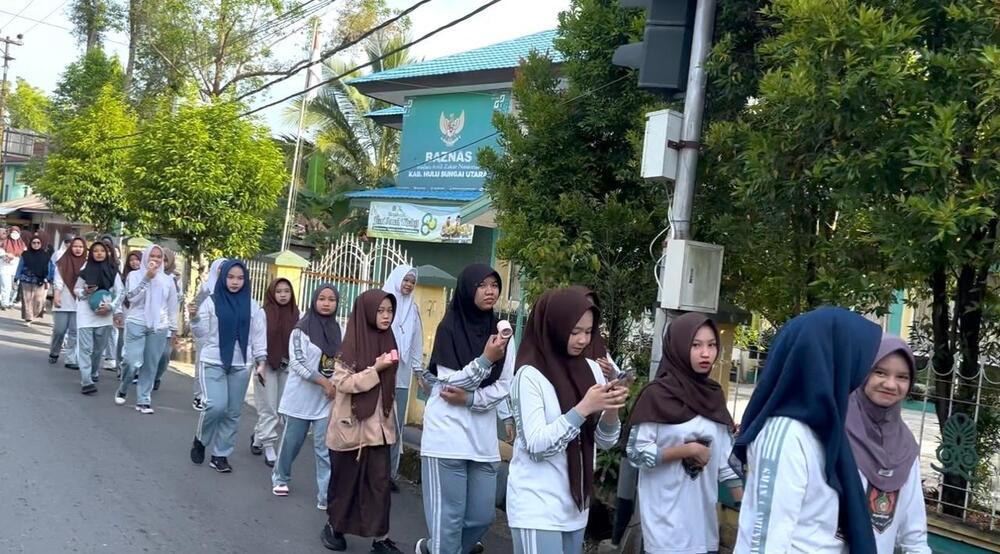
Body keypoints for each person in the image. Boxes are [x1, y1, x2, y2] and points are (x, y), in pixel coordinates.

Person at [732, 307, 882, 554]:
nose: (862, 375)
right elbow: (767, 542)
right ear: (834, 360)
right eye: (858, 360)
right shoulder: (786, 434)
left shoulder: (823, 427)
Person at [505, 288, 627, 554]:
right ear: (555, 327)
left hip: (575, 509)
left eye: (589, 331)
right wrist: (583, 408)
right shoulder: (529, 375)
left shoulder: (591, 369)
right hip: (536, 507)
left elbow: (604, 442)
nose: (583, 340)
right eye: (575, 331)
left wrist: (611, 407)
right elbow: (536, 446)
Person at [414, 264, 514, 554]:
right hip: (446, 438)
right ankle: (440, 547)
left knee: (481, 517)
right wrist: (486, 360)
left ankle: (433, 548)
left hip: (482, 441)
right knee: (448, 521)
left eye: (494, 285)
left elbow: (504, 385)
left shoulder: (503, 333)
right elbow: (449, 386)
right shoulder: (449, 328)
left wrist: (472, 400)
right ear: (468, 289)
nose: (490, 291)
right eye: (482, 285)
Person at [626, 312, 742, 554]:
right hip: (664, 529)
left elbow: (726, 465)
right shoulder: (656, 396)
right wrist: (686, 450)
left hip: (703, 530)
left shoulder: (714, 396)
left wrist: (746, 511)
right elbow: (636, 454)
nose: (705, 353)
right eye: (696, 345)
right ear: (678, 346)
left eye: (711, 345)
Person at [321, 289, 403, 554]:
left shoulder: (389, 340)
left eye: (389, 311)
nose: (386, 316)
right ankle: (334, 527)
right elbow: (343, 383)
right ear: (367, 312)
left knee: (379, 485)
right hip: (351, 427)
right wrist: (375, 370)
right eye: (380, 311)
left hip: (379, 429)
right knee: (345, 484)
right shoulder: (351, 344)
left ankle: (381, 539)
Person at [846, 335, 930, 553]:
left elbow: (914, 533)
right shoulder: (835, 431)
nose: (890, 384)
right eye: (880, 372)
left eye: (902, 377)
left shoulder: (905, 447)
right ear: (863, 373)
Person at [189, 260, 267, 473]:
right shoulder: (211, 302)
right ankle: (201, 439)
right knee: (216, 406)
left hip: (241, 364)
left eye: (240, 278)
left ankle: (220, 455)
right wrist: (194, 318)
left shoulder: (253, 306)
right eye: (231, 277)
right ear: (223, 278)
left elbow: (258, 336)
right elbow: (201, 334)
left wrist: (261, 361)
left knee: (232, 412)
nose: (235, 282)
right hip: (213, 361)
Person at [271, 284, 339, 510]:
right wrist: (324, 382)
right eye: (322, 298)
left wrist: (335, 384)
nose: (326, 303)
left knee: (324, 449)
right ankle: (280, 477)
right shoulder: (301, 330)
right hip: (300, 399)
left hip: (325, 401)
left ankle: (326, 495)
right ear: (314, 300)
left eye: (331, 299)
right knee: (291, 443)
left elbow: (340, 361)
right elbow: (297, 363)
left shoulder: (338, 330)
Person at [116, 244, 178, 413]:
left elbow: (172, 306)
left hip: (159, 325)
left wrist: (174, 329)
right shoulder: (134, 275)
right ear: (146, 257)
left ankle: (143, 399)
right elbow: (131, 298)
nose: (155, 260)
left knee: (151, 364)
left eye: (159, 257)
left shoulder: (168, 280)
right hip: (136, 322)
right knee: (131, 362)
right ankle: (124, 385)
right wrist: (147, 279)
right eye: (152, 256)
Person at [252, 277, 301, 466]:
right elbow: (258, 340)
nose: (283, 295)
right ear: (272, 293)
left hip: (287, 366)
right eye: (279, 291)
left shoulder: (296, 314)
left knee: (280, 408)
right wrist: (261, 363)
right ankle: (269, 446)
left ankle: (258, 438)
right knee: (268, 407)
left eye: (286, 291)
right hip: (266, 365)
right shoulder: (263, 313)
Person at [381, 264, 423, 487]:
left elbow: (416, 342)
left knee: (396, 426)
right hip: (379, 372)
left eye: (412, 282)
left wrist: (418, 370)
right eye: (405, 280)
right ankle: (369, 472)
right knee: (375, 424)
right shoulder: (382, 304)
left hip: (402, 376)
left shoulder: (413, 309)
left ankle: (389, 474)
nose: (408, 285)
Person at [74, 241, 124, 395]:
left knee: (98, 350)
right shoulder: (85, 270)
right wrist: (85, 292)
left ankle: (93, 371)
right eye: (95, 250)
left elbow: (121, 292)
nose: (99, 253)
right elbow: (76, 289)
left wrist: (111, 307)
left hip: (104, 313)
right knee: (85, 348)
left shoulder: (113, 271)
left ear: (108, 253)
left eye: (102, 250)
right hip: (85, 312)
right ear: (91, 253)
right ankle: (86, 380)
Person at [191, 257, 227, 412]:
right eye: (220, 268)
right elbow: (195, 306)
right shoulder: (206, 288)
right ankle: (199, 395)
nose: (222, 271)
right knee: (202, 362)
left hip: (221, 332)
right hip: (204, 331)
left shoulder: (231, 289)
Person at [50, 237, 87, 366]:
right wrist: (56, 295)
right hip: (63, 300)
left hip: (80, 301)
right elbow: (58, 281)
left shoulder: (87, 264)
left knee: (74, 332)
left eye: (81, 247)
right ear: (70, 247)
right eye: (75, 246)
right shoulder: (63, 262)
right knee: (59, 330)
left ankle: (71, 358)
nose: (78, 249)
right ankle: (54, 352)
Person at [153, 248, 182, 391]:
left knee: (164, 355)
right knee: (150, 355)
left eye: (165, 260)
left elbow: (175, 304)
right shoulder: (149, 275)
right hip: (151, 324)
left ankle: (157, 376)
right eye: (160, 259)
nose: (162, 263)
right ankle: (146, 378)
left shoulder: (174, 279)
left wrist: (174, 328)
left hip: (167, 324)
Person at [15, 232, 54, 326]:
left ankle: (35, 314)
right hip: (26, 279)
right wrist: (17, 276)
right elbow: (20, 265)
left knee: (39, 300)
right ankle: (28, 318)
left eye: (38, 243)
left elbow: (49, 267)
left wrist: (48, 278)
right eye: (34, 243)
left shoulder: (45, 255)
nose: (36, 244)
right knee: (27, 299)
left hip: (39, 280)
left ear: (41, 244)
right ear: (30, 243)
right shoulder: (25, 254)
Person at [116, 250, 144, 378]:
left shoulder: (147, 277)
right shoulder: (123, 277)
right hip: (125, 311)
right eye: (131, 260)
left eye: (137, 259)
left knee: (137, 344)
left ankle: (135, 370)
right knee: (123, 341)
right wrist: (118, 312)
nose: (134, 262)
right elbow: (120, 295)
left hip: (139, 315)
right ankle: (121, 368)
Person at [99, 235, 121, 371]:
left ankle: (110, 357)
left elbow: (120, 291)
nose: (104, 253)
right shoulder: (89, 266)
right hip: (93, 305)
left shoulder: (115, 268)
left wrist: (115, 308)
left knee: (112, 331)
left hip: (110, 304)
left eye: (108, 249)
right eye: (102, 249)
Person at [1, 226, 26, 310]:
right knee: (6, 286)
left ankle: (10, 302)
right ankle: (4, 303)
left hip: (17, 269)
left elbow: (25, 254)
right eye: (13, 233)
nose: (14, 235)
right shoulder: (4, 242)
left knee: (14, 287)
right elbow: (1, 252)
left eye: (16, 233)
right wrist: (6, 255)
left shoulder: (22, 244)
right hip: (5, 268)